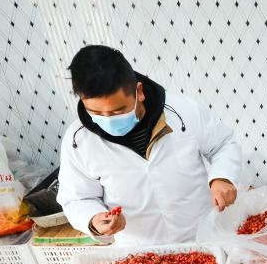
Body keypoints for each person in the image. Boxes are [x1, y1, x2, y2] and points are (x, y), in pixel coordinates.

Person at [57, 45, 241, 246]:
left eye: (118, 111)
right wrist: (94, 220)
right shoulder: (77, 141)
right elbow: (77, 199)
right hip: (140, 252)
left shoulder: (182, 111)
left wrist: (222, 177)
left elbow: (223, 144)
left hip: (202, 238)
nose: (108, 120)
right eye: (97, 113)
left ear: (139, 91)